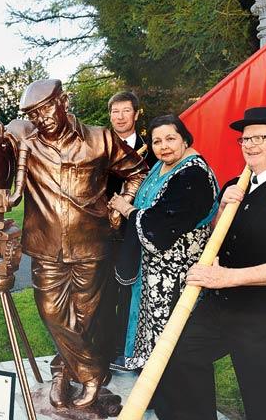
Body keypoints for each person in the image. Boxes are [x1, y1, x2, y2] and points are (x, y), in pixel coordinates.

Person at [0, 79, 148, 409]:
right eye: (33, 113)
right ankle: (92, 373)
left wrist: (123, 202)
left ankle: (63, 374)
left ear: (64, 101)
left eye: (46, 108)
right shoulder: (25, 141)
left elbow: (137, 171)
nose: (41, 118)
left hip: (91, 244)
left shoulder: (101, 138)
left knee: (85, 315)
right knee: (51, 312)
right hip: (46, 244)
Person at [156, 107, 266, 420]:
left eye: (260, 137)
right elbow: (217, 239)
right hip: (226, 304)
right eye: (245, 139)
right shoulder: (236, 185)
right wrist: (223, 208)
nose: (249, 144)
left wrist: (224, 278)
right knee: (179, 356)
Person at [107, 114, 218, 371]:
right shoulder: (162, 165)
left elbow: (159, 226)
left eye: (170, 139)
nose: (163, 146)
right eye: (157, 141)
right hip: (153, 272)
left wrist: (126, 209)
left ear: (184, 138)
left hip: (176, 274)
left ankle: (170, 396)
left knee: (172, 340)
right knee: (151, 333)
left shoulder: (193, 175)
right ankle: (154, 388)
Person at [101, 91, 157, 365]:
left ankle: (126, 350)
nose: (120, 117)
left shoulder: (154, 150)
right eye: (115, 112)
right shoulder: (99, 148)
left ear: (136, 114)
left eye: (125, 111)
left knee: (130, 292)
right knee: (100, 292)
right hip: (99, 232)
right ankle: (102, 349)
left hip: (135, 232)